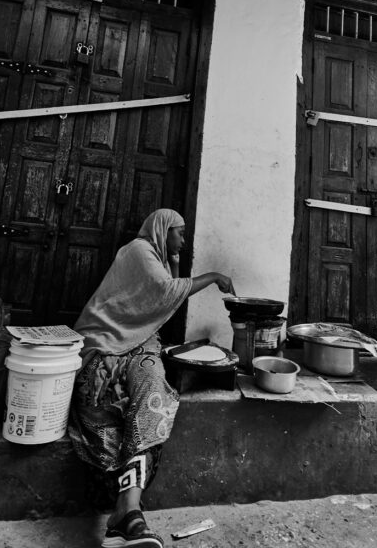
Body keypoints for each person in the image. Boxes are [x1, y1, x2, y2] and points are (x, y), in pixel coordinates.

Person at [68, 208, 234, 548]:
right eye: (179, 233)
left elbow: (164, 299)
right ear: (162, 230)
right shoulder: (139, 250)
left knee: (153, 395)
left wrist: (174, 261)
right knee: (104, 397)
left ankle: (127, 510)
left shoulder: (159, 258)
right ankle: (127, 514)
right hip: (104, 343)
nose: (184, 240)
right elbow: (165, 290)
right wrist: (214, 276)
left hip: (142, 345)